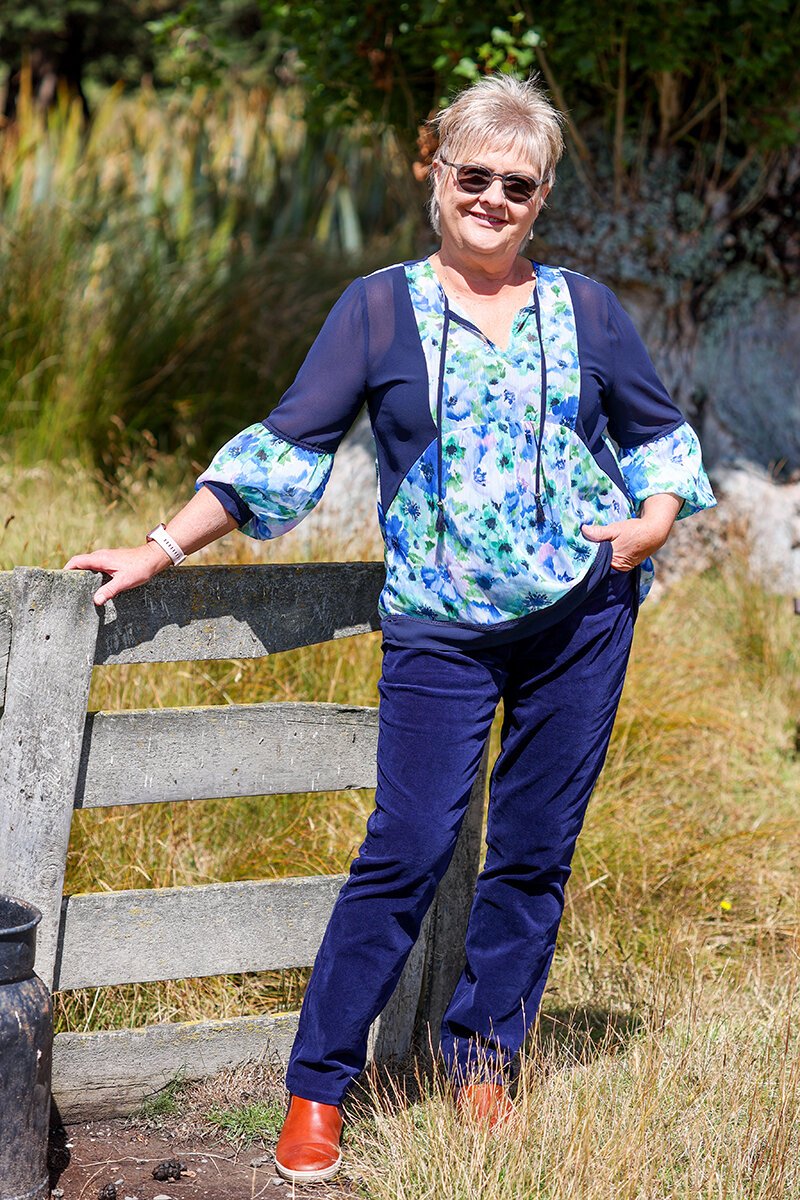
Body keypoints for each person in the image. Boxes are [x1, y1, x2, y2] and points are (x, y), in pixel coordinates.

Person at [66, 74, 716, 1183]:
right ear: (436, 173)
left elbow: (658, 435)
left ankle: (482, 1062)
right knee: (407, 846)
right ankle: (319, 1087)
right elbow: (287, 448)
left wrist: (651, 523)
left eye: (519, 185)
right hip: (439, 631)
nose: (493, 198)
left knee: (533, 852)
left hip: (584, 615)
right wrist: (161, 548)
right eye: (475, 175)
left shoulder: (586, 309)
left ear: (541, 198)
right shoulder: (377, 309)